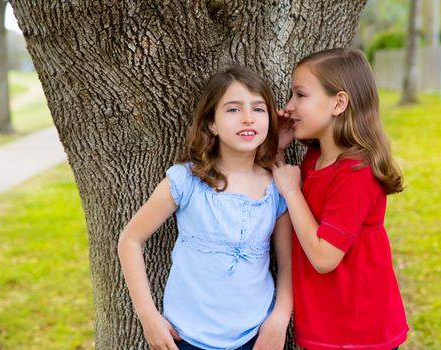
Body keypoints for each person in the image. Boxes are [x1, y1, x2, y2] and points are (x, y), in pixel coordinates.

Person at [118, 65, 292, 350]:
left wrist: (280, 318)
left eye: (259, 109)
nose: (248, 118)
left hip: (256, 335)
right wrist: (148, 317)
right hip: (187, 336)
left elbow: (287, 263)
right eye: (233, 110)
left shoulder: (277, 187)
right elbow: (130, 240)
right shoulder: (187, 180)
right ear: (212, 123)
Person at [272, 47, 408, 350]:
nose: (289, 106)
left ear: (339, 103)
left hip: (359, 332)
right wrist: (278, 149)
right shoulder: (314, 158)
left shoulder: (355, 173)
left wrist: (293, 192)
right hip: (326, 324)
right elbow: (285, 190)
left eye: (300, 95)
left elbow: (323, 258)